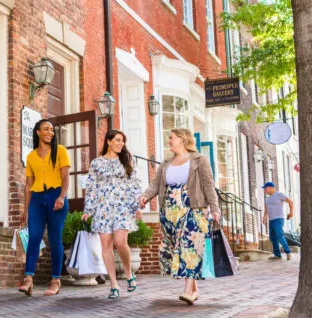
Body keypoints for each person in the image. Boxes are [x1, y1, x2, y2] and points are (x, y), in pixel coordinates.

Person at [139, 128, 220, 305]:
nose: (169, 141)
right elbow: (155, 184)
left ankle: (187, 291)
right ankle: (194, 289)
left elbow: (208, 185)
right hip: (170, 212)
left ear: (183, 140)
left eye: (172, 138)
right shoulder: (166, 162)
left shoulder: (199, 160)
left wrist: (215, 208)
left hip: (193, 208)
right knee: (181, 248)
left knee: (189, 246)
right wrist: (145, 196)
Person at [81, 129, 143, 300]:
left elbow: (135, 184)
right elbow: (92, 187)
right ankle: (114, 284)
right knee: (106, 245)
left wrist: (137, 206)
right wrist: (88, 210)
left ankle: (129, 274)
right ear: (108, 141)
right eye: (117, 140)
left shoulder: (127, 161)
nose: (121, 143)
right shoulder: (96, 163)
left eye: (123, 141)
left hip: (122, 206)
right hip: (103, 207)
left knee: (120, 242)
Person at [18, 119, 71, 296]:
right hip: (37, 199)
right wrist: (26, 210)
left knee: (55, 240)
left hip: (56, 196)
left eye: (52, 130)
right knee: (33, 237)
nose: (50, 132)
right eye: (46, 129)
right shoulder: (31, 156)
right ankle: (28, 279)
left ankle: (55, 280)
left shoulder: (60, 151)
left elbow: (65, 176)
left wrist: (62, 197)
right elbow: (28, 184)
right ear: (37, 132)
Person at [261, 181, 294, 261]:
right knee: (272, 237)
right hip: (271, 220)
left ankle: (288, 252)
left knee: (279, 235)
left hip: (279, 219)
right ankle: (277, 255)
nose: (265, 190)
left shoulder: (279, 195)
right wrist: (264, 217)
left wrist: (291, 212)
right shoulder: (267, 199)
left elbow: (290, 201)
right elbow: (266, 210)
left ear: (271, 188)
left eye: (266, 188)